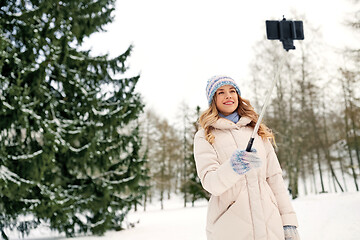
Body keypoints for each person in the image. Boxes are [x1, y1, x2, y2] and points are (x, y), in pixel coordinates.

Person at [193, 75, 300, 240]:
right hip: (231, 228)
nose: (228, 95)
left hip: (270, 225)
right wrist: (233, 167)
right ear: (213, 100)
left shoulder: (256, 131)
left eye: (232, 91)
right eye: (221, 92)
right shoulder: (205, 136)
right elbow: (211, 183)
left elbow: (274, 179)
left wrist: (288, 221)